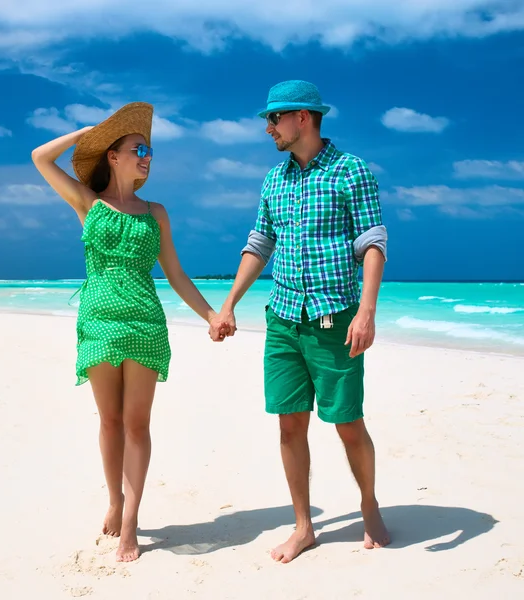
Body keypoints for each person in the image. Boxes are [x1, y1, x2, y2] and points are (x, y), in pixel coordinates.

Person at [32, 102, 226, 562]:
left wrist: (211, 315)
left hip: (143, 321)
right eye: (138, 148)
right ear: (112, 157)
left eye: (150, 151)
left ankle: (132, 520)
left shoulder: (155, 212)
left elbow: (176, 275)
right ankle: (115, 500)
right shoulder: (88, 203)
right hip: (99, 322)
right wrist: (88, 133)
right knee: (110, 421)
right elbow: (41, 157)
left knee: (137, 423)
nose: (146, 156)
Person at [209, 80, 391, 563]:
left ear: (303, 118)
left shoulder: (351, 171)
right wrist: (228, 304)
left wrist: (367, 312)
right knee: (290, 426)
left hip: (336, 318)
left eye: (274, 118)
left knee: (348, 423)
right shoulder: (275, 179)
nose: (268, 128)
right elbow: (260, 243)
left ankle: (369, 504)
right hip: (284, 319)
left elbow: (373, 241)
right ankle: (304, 526)